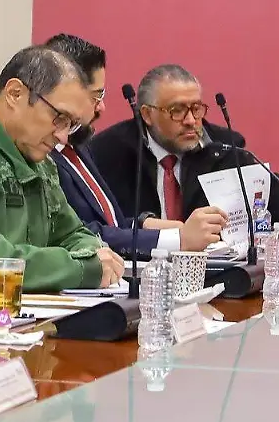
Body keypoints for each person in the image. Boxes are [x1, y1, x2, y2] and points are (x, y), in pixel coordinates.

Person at [0, 46, 124, 291]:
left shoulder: (39, 159)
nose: (63, 136)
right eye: (59, 117)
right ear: (15, 93)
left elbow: (73, 234)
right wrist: (81, 269)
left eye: (71, 124)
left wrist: (93, 256)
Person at [43, 34, 228, 258]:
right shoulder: (45, 155)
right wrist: (179, 239)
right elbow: (79, 234)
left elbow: (111, 223)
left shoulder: (79, 148)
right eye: (95, 96)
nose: (101, 107)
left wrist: (149, 224)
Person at [87, 64, 279, 226]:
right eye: (176, 111)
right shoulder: (108, 153)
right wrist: (144, 225)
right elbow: (93, 223)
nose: (191, 121)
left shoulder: (223, 147)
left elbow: (273, 194)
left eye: (196, 108)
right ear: (147, 114)